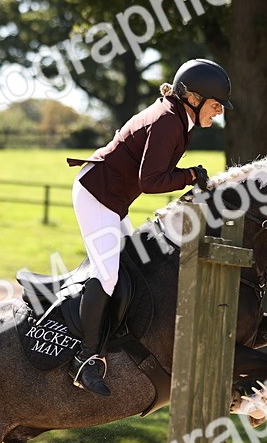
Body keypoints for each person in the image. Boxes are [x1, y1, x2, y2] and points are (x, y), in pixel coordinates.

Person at [65, 58, 232, 395]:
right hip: (97, 195)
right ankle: (82, 359)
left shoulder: (176, 118)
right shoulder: (168, 121)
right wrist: (189, 175)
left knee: (134, 268)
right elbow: (151, 180)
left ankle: (115, 338)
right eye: (215, 106)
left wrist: (189, 175)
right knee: (109, 273)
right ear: (194, 97)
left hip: (112, 198)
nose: (217, 114)